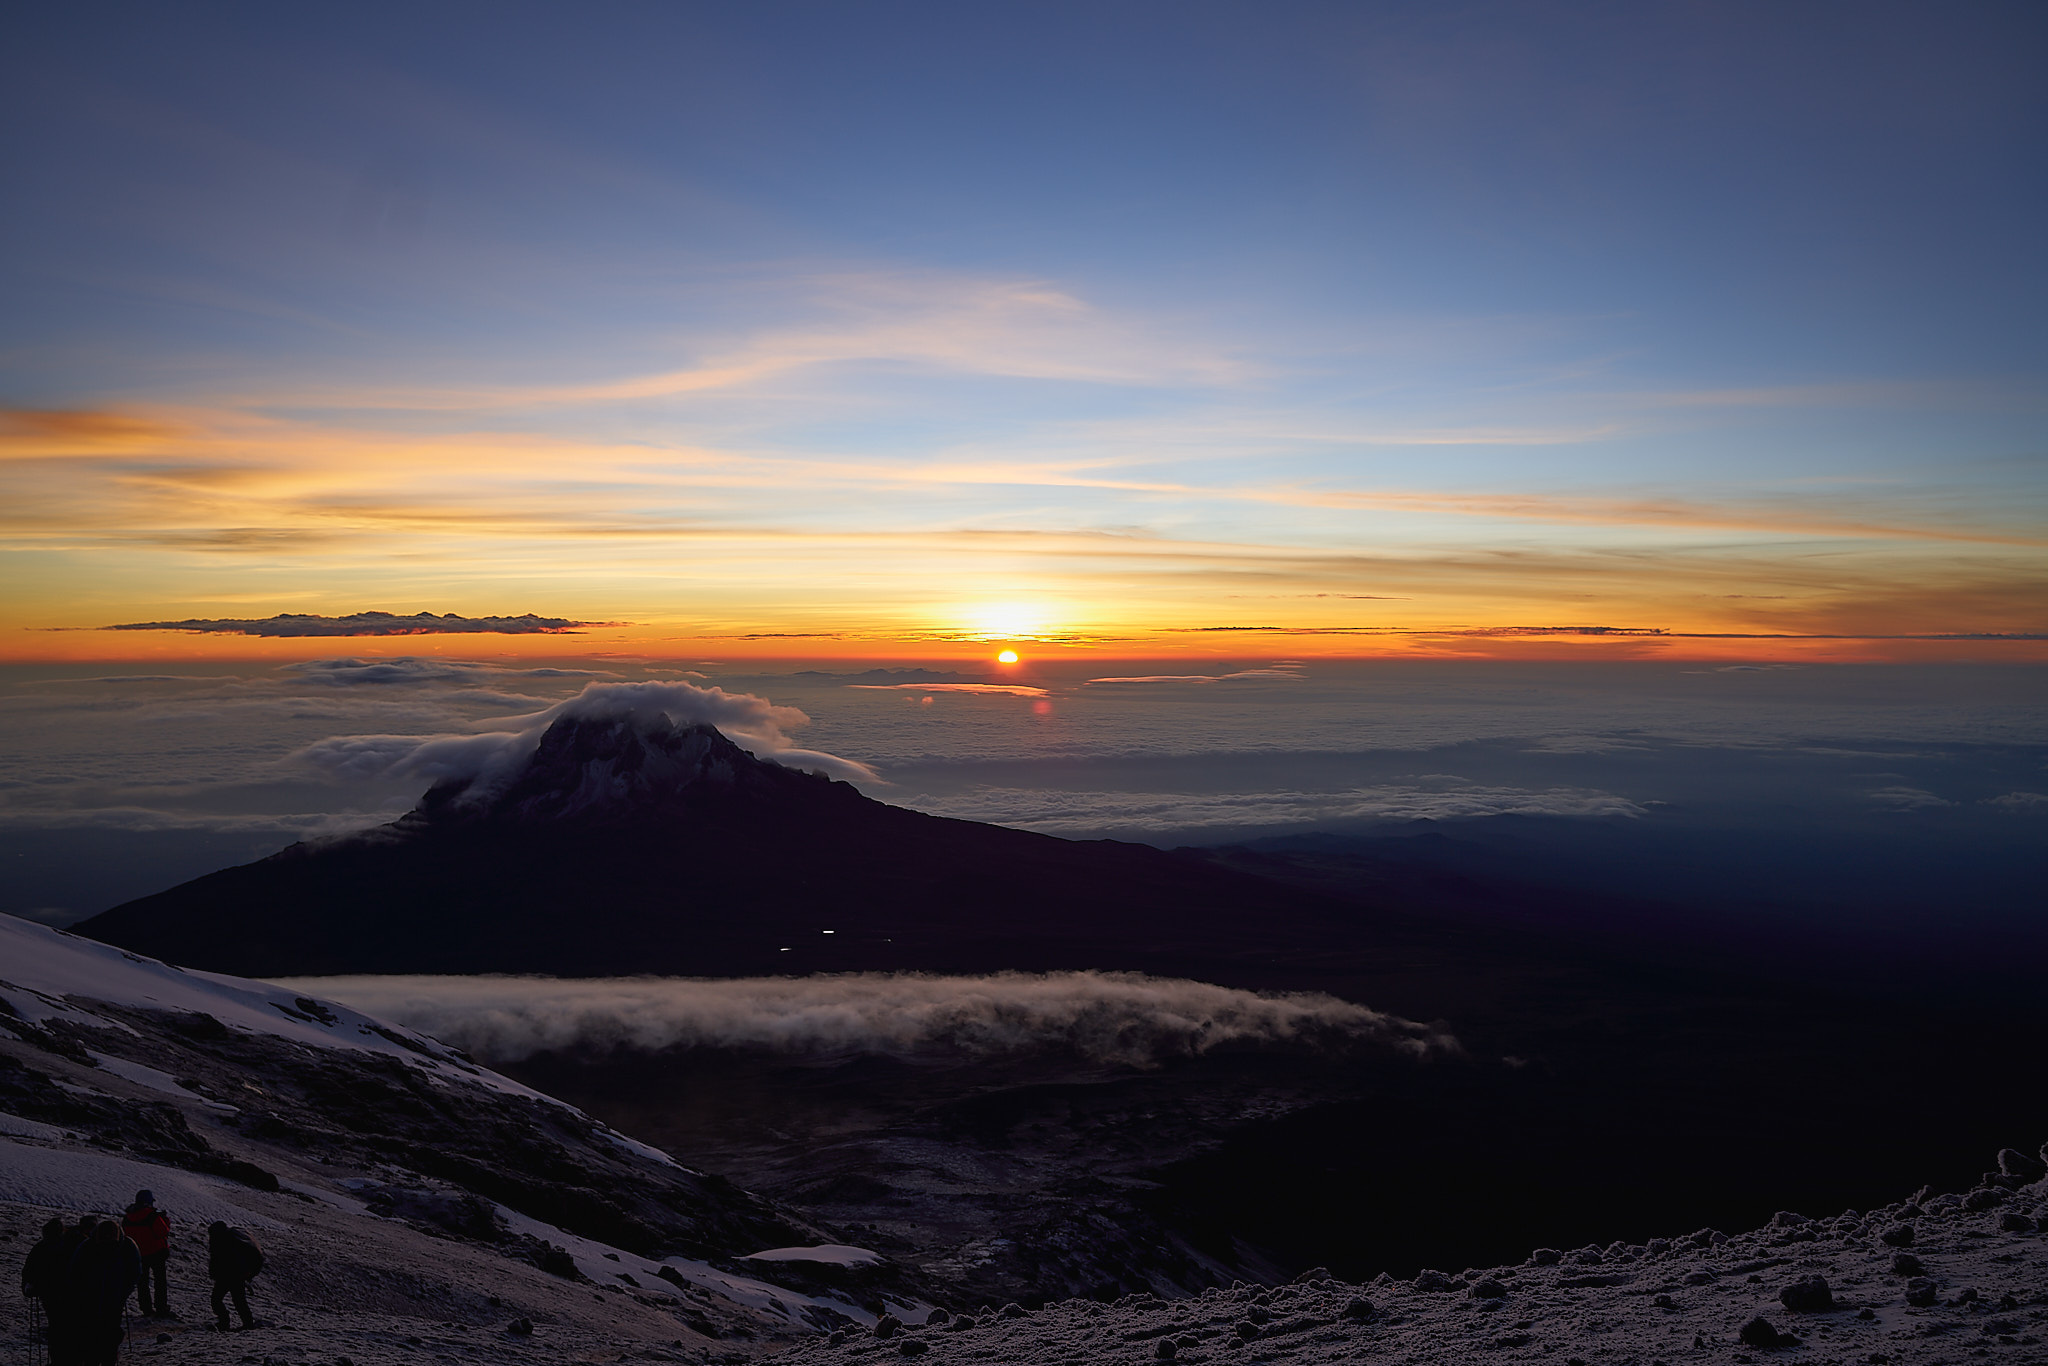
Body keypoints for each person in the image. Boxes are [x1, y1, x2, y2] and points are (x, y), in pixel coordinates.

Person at [64, 1220, 140, 1366]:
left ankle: (105, 1359)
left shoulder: (125, 1247)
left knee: (108, 1335)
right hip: (92, 1300)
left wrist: (123, 1292)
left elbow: (134, 1272)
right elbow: (75, 1272)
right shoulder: (88, 1247)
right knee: (94, 1335)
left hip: (111, 1300)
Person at [19, 1218, 67, 1359]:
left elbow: (29, 1270)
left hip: (49, 1293)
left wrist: (28, 1286)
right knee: (63, 1326)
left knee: (56, 1326)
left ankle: (58, 1358)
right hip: (63, 1293)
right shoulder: (70, 1246)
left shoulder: (41, 1247)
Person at [119, 1191, 171, 1319]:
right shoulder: (153, 1216)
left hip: (138, 1254)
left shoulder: (128, 1217)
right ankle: (161, 1308)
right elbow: (163, 1232)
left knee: (142, 1283)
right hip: (156, 1253)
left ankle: (146, 1308)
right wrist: (165, 1220)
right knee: (160, 1282)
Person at [205, 1222, 261, 1332]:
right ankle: (247, 1324)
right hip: (236, 1276)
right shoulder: (230, 1239)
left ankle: (225, 1322)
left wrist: (216, 1273)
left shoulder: (221, 1242)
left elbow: (219, 1260)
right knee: (239, 1301)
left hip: (227, 1276)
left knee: (217, 1300)